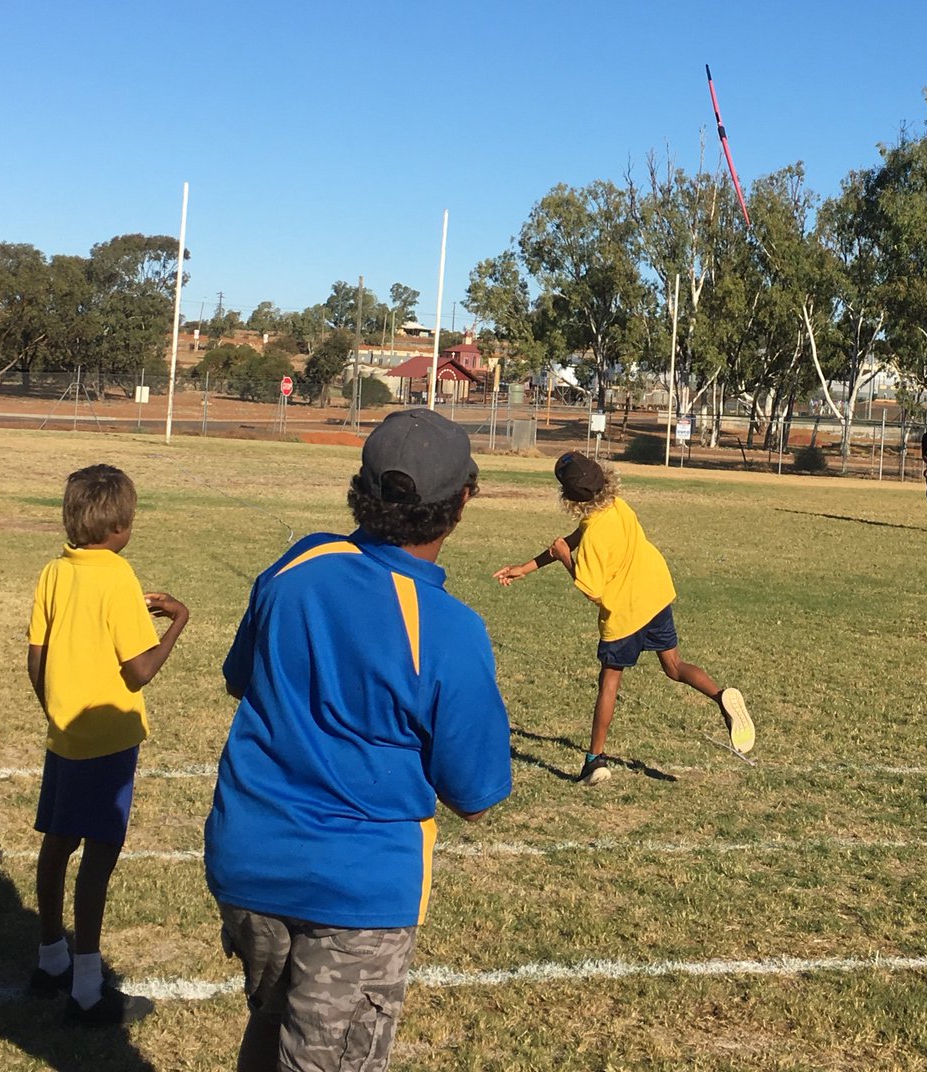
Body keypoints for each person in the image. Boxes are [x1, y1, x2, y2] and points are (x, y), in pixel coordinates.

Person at [205, 408, 511, 1072]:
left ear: (361, 490)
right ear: (462, 501)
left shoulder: (300, 562)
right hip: (356, 893)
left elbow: (241, 679)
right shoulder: (451, 631)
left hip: (247, 866)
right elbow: (476, 795)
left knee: (276, 1025)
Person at [26, 464, 190, 1025]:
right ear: (119, 525)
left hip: (64, 733)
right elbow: (139, 670)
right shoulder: (118, 575)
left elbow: (36, 659)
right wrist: (178, 622)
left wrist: (56, 707)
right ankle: (88, 991)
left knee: (56, 845)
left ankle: (50, 961)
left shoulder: (54, 571)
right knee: (97, 859)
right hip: (109, 740)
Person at [494, 451, 754, 785]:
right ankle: (722, 697)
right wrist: (524, 569)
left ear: (570, 498)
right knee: (674, 666)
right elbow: (573, 538)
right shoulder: (617, 507)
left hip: (626, 613)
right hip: (656, 594)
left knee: (610, 682)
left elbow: (592, 589)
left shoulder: (594, 539)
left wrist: (563, 559)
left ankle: (594, 760)